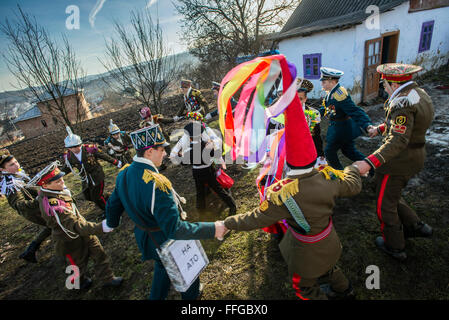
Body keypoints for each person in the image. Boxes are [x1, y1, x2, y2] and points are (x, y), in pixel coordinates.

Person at [219, 82, 363, 300]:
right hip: (331, 245)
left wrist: (226, 223)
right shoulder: (328, 177)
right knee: (331, 269)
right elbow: (353, 184)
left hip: (305, 255)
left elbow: (254, 218)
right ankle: (345, 290)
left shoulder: (283, 195)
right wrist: (352, 168)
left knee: (304, 287)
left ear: (288, 163)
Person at [105, 124, 226, 300]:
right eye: (161, 150)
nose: (165, 154)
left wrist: (111, 223)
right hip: (166, 240)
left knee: (162, 265)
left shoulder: (124, 174)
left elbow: (113, 204)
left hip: (146, 240)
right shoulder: (157, 184)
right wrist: (213, 228)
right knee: (187, 271)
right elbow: (175, 229)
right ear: (148, 152)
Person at [355, 63, 434, 261]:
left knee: (385, 205)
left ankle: (395, 245)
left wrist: (370, 162)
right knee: (392, 194)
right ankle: (416, 225)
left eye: (384, 84)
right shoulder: (417, 93)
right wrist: (381, 129)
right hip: (415, 155)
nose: (383, 88)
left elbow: (398, 139)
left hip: (398, 161)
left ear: (392, 83)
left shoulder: (402, 102)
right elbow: (406, 124)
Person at [36, 162, 122, 289]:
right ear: (45, 185)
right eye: (57, 181)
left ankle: (107, 278)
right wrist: (102, 227)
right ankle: (76, 284)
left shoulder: (56, 191)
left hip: (84, 231)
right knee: (76, 266)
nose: (62, 182)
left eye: (61, 178)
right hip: (69, 240)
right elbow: (74, 225)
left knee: (99, 253)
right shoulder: (53, 204)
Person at [170, 112, 237, 215]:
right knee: (218, 189)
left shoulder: (189, 151)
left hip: (197, 173)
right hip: (209, 170)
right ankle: (232, 206)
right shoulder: (207, 146)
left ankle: (201, 212)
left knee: (200, 193)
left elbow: (183, 162)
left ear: (190, 138)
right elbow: (216, 153)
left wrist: (179, 155)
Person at [0, 149, 51, 263]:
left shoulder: (17, 174)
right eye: (12, 164)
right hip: (32, 211)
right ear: (2, 170)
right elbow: (19, 204)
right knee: (54, 224)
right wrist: (40, 199)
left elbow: (29, 187)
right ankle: (31, 250)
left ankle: (30, 251)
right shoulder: (11, 184)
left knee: (52, 225)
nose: (16, 165)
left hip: (36, 206)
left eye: (16, 161)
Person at [319, 67, 374, 170]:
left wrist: (367, 124)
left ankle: (340, 174)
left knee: (329, 151)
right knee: (349, 151)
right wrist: (316, 114)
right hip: (340, 128)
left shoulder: (339, 94)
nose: (322, 84)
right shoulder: (331, 92)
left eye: (324, 82)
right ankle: (371, 167)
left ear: (331, 81)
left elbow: (354, 110)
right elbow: (327, 107)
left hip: (341, 130)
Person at [61, 127, 122, 213]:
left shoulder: (90, 149)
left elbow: (103, 156)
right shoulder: (69, 157)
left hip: (97, 176)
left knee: (97, 197)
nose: (75, 149)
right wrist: (58, 175)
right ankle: (112, 199)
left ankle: (109, 211)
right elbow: (67, 167)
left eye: (77, 146)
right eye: (72, 147)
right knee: (88, 196)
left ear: (80, 144)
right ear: (68, 148)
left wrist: (116, 162)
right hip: (86, 179)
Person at [297, 78, 327, 169]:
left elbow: (316, 136)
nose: (297, 102)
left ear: (305, 98)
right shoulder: (282, 113)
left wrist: (320, 154)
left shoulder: (313, 114)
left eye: (300, 99)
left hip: (307, 151)